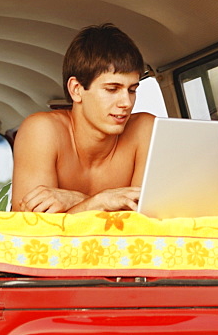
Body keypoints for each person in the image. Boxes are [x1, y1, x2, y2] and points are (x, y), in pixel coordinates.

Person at [10, 23, 155, 213]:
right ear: (76, 90)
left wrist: (85, 202)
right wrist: (100, 203)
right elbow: (30, 232)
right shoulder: (43, 130)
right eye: (112, 89)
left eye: (132, 90)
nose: (126, 103)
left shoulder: (145, 129)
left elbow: (146, 223)